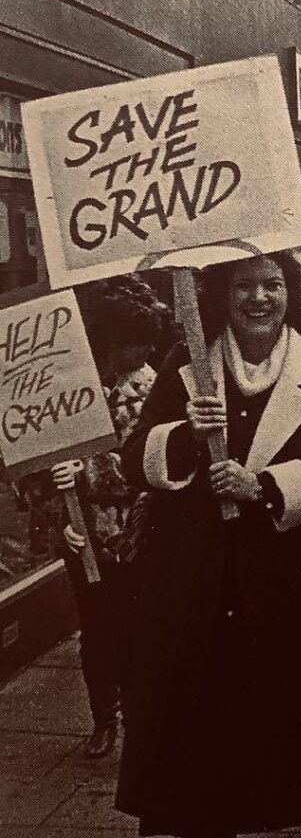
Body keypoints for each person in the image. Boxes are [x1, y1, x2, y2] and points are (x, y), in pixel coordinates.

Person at [116, 252, 301, 838]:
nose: (260, 299)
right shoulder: (186, 367)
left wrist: (264, 486)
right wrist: (186, 435)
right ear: (224, 295)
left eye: (273, 285)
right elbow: (135, 459)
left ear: (291, 294)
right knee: (204, 755)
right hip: (202, 595)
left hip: (300, 594)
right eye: (246, 286)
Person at [18, 276, 170, 759]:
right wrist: (53, 507)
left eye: (148, 340)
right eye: (133, 341)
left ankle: (143, 713)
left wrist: (100, 473)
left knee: (144, 628)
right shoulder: (63, 389)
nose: (143, 350)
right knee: (98, 632)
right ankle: (104, 717)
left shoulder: (156, 388)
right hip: (84, 536)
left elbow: (161, 464)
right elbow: (29, 467)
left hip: (144, 530)